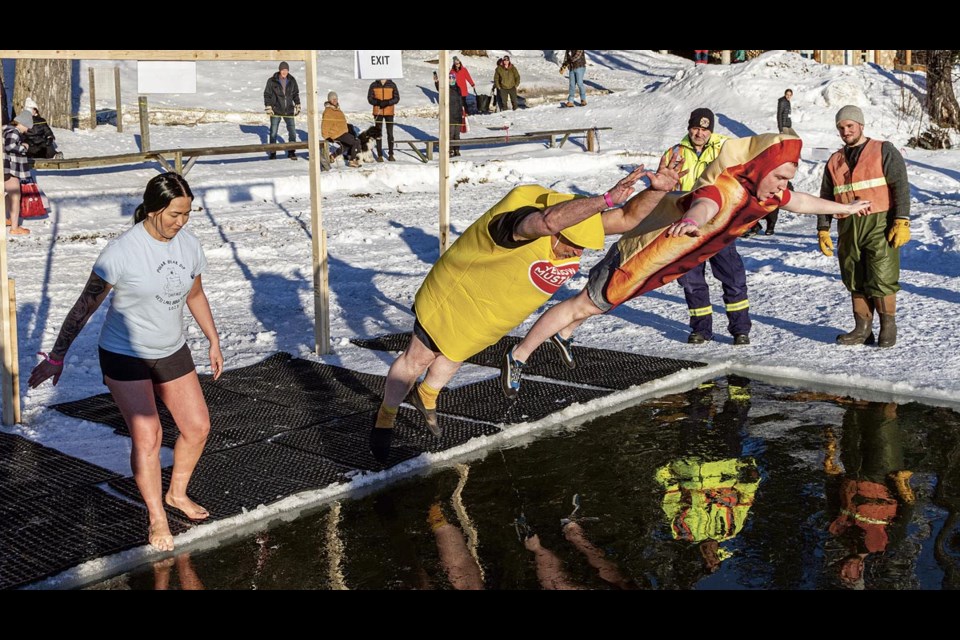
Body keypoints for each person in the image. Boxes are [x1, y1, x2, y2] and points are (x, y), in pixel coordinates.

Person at [501, 133, 873, 399]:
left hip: (662, 266)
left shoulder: (767, 195)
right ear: (761, 168)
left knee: (601, 303)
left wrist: (847, 209)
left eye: (786, 180)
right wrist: (694, 220)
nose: (781, 187)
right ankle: (518, 355)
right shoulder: (725, 189)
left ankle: (564, 336)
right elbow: (705, 204)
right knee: (584, 303)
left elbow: (805, 203)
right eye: (778, 177)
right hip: (638, 256)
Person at [370, 155, 684, 456]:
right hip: (455, 298)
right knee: (419, 358)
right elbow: (545, 221)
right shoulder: (514, 226)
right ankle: (387, 415)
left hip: (486, 314)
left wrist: (657, 191)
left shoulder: (577, 227)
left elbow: (628, 218)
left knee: (454, 354)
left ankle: (427, 394)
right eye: (571, 246)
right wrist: (605, 199)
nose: (573, 253)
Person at [28, 173, 224, 552]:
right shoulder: (121, 252)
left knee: (198, 427)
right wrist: (57, 356)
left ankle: (176, 494)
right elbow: (84, 307)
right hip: (125, 353)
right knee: (149, 436)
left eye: (187, 214)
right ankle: (157, 516)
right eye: (174, 214)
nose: (181, 222)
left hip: (171, 349)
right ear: (153, 209)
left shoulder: (189, 245)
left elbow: (195, 294)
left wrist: (213, 340)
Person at [817, 105, 911, 349]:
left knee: (882, 276)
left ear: (860, 125)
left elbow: (900, 185)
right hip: (848, 226)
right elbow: (825, 196)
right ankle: (862, 328)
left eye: (850, 126)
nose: (846, 131)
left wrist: (901, 219)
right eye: (841, 127)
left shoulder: (883, 150)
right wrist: (823, 228)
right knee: (854, 276)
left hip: (879, 224)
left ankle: (888, 327)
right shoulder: (835, 160)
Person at [666, 108, 752, 345]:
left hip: (719, 225)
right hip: (686, 226)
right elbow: (663, 190)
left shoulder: (724, 149)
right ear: (689, 127)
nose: (699, 133)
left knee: (732, 277)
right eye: (695, 128)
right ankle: (701, 330)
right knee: (691, 282)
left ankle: (740, 329)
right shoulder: (674, 153)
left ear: (711, 131)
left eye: (705, 129)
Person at [824, 401, 915, 589]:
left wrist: (831, 473)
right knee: (883, 420)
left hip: (852, 470)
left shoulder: (836, 532)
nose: (845, 570)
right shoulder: (884, 543)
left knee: (854, 417)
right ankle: (888, 385)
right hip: (883, 475)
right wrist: (903, 488)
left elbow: (833, 499)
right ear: (861, 570)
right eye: (851, 575)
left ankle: (861, 388)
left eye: (841, 573)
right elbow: (906, 512)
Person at [3, 109, 34, 236]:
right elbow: (9, 146)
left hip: (5, 168)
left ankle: (5, 219)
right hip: (10, 169)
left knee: (7, 195)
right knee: (15, 196)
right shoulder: (14, 132)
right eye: (28, 127)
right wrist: (23, 147)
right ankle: (15, 228)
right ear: (23, 123)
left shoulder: (6, 130)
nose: (27, 130)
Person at [263, 61, 301, 160]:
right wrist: (268, 106)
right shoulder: (272, 81)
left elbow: (295, 94)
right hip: (276, 110)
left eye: (286, 70)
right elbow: (267, 94)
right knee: (273, 132)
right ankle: (272, 152)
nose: (284, 72)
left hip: (289, 110)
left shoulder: (292, 80)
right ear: (279, 70)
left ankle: (291, 152)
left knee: (292, 132)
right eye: (283, 70)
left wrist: (297, 104)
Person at [321, 91, 360, 168]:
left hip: (342, 132)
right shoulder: (328, 111)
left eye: (336, 99)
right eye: (333, 99)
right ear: (329, 100)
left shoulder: (338, 110)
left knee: (347, 145)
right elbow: (325, 125)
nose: (335, 100)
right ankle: (352, 160)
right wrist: (326, 137)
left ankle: (333, 156)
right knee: (355, 141)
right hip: (336, 134)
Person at [367, 78, 400, 162]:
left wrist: (388, 102)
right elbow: (370, 98)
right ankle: (379, 155)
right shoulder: (373, 85)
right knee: (378, 134)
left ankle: (391, 154)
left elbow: (397, 98)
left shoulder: (392, 84)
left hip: (389, 112)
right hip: (378, 112)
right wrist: (377, 102)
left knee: (390, 133)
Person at [435, 71, 464, 157]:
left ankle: (457, 149)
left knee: (457, 134)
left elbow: (460, 101)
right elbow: (439, 88)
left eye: (453, 78)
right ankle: (450, 150)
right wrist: (437, 82)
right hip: (450, 114)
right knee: (450, 133)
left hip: (458, 114)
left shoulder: (458, 88)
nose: (451, 80)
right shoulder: (446, 88)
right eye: (450, 78)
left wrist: (463, 111)